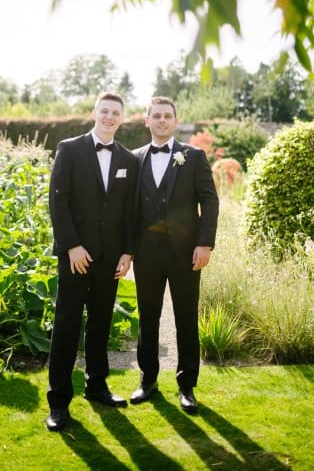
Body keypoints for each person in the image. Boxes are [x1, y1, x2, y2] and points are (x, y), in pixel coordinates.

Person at [45, 92, 139, 431]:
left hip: (109, 258)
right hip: (76, 257)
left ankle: (97, 387)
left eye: (116, 112)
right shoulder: (69, 149)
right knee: (67, 326)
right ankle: (58, 403)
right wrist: (72, 246)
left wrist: (128, 252)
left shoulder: (129, 159)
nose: (110, 116)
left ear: (122, 118)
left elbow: (130, 212)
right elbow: (58, 201)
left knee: (100, 325)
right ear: (93, 113)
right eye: (105, 111)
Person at [128, 97, 219, 413]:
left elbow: (209, 202)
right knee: (148, 317)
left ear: (176, 121)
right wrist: (128, 250)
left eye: (167, 116)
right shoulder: (134, 158)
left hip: (186, 254)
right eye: (157, 116)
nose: (162, 121)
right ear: (147, 120)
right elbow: (128, 210)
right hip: (146, 254)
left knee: (186, 318)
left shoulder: (193, 157)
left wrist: (205, 244)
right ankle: (147, 380)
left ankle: (187, 387)